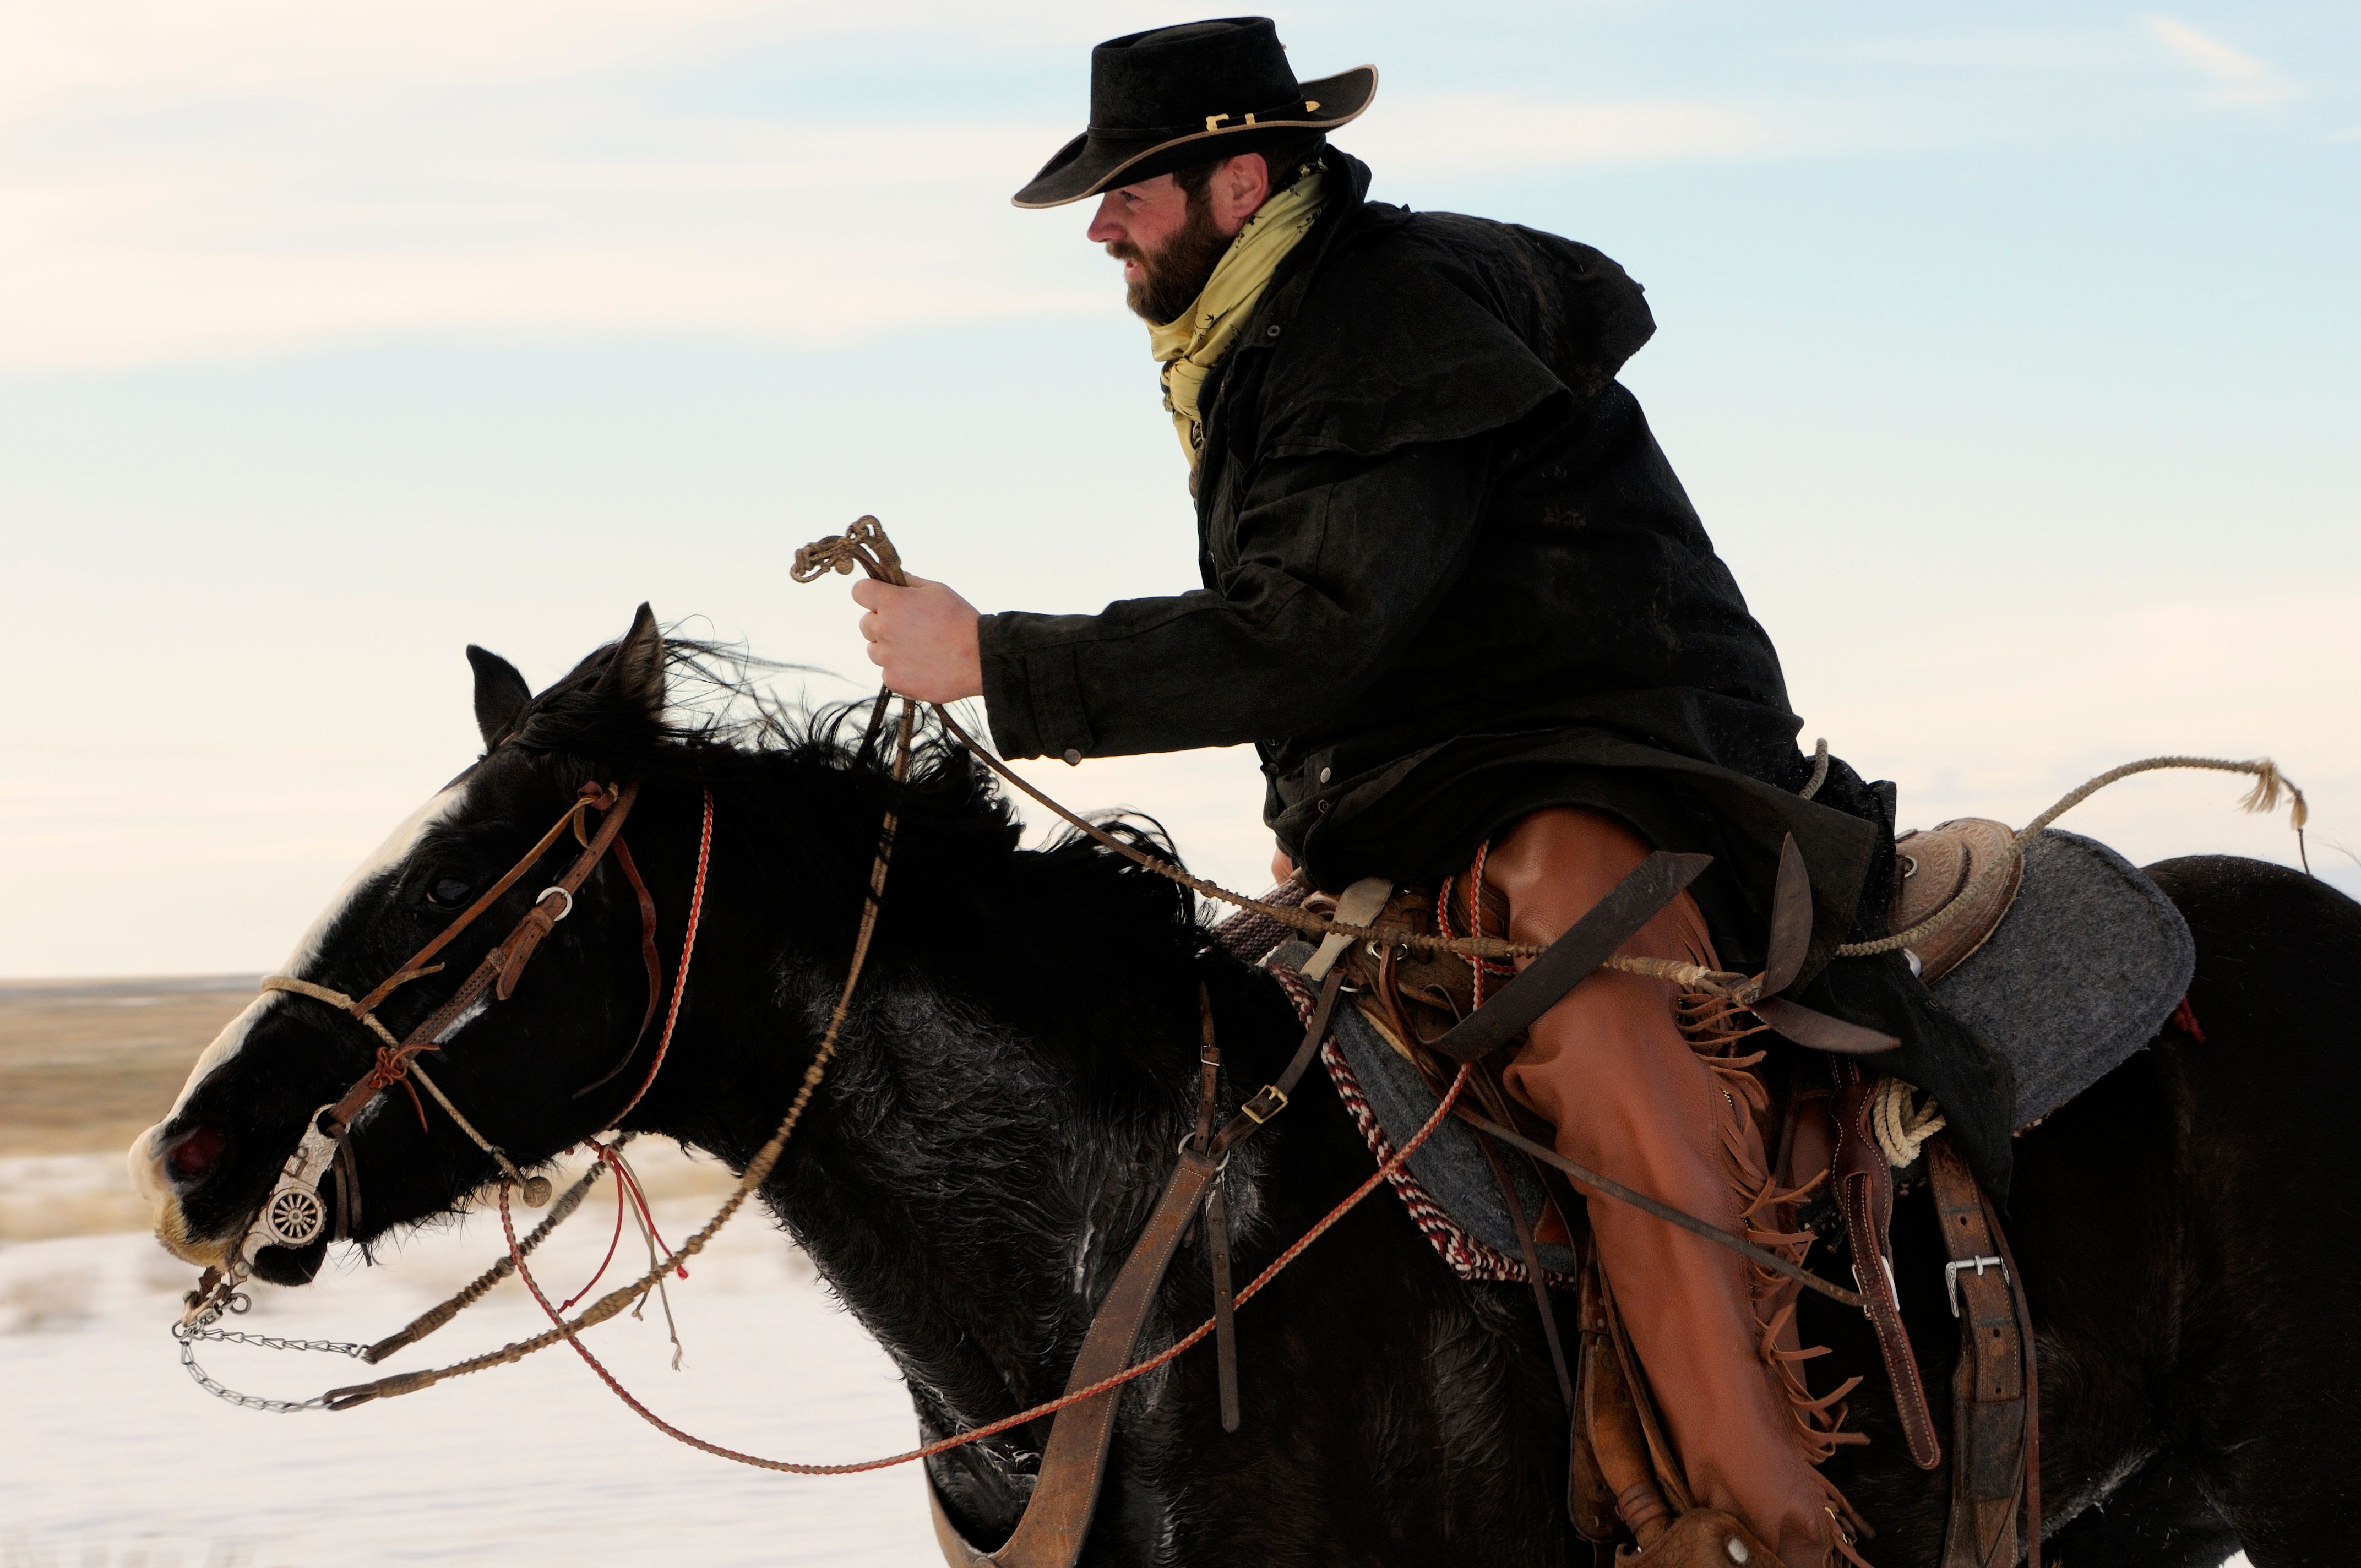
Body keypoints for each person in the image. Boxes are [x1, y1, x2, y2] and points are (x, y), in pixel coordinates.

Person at [844, 19, 2010, 1566]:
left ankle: (1763, 1523)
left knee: (1603, 1032)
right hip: (1450, 784)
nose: (1102, 227)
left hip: (1619, 758)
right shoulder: (1270, 330)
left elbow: (1310, 627)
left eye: (1126, 192)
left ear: (1240, 179)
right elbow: (1365, 635)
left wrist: (998, 658)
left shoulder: (1378, 321)